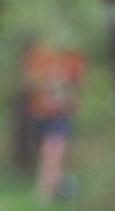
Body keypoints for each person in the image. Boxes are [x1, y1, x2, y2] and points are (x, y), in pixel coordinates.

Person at [22, 42, 86, 201]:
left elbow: (78, 85)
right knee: (47, 155)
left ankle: (44, 193)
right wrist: (46, 79)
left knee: (52, 153)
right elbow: (30, 82)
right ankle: (59, 186)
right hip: (41, 115)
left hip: (60, 116)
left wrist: (63, 83)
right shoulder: (39, 55)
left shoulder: (73, 56)